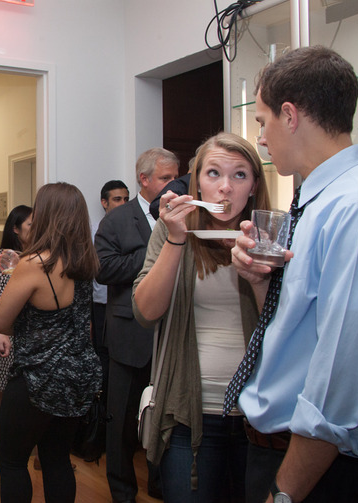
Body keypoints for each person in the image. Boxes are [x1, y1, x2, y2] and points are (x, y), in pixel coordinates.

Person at [227, 46, 358, 503]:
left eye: (261, 122)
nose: (259, 138)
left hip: (320, 470)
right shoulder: (316, 200)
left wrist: (284, 493)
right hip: (281, 451)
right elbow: (300, 329)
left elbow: (347, 379)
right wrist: (262, 281)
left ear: (290, 115)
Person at [132, 133, 271, 503]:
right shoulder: (172, 229)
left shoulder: (270, 237)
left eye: (239, 175)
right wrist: (176, 240)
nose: (225, 188)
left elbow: (286, 331)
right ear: (196, 183)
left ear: (254, 185)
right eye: (213, 174)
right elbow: (145, 312)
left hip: (257, 416)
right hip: (187, 412)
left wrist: (258, 278)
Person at [0, 182, 102, 503]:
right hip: (77, 377)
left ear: (47, 215)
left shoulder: (35, 264)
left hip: (38, 379)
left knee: (11, 460)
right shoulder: (85, 262)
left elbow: (0, 323)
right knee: (56, 459)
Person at [95, 148, 178, 502]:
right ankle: (123, 491)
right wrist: (157, 252)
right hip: (130, 335)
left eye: (176, 177)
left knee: (168, 418)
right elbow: (104, 269)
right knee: (123, 422)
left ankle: (160, 483)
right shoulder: (117, 220)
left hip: (172, 335)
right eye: (165, 178)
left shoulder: (185, 214)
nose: (173, 184)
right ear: (144, 180)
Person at [0, 204, 33, 440]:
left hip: (31, 337)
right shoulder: (4, 257)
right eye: (30, 225)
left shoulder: (34, 257)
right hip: (7, 335)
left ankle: (34, 453)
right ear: (15, 229)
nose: (35, 229)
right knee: (0, 393)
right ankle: (2, 445)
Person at [91, 180, 129, 407]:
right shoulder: (95, 229)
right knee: (101, 354)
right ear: (104, 203)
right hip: (100, 303)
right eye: (117, 199)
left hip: (124, 301)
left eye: (126, 199)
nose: (123, 204)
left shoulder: (132, 229)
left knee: (121, 355)